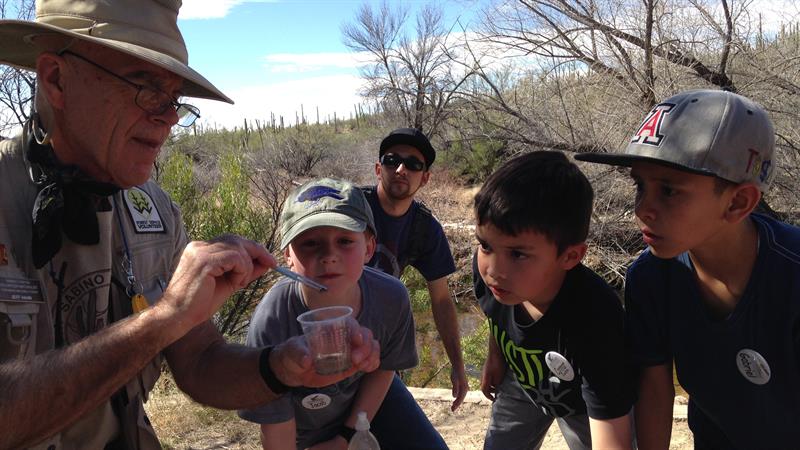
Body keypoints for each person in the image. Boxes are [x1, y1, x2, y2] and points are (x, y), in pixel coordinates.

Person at [0, 2, 379, 449]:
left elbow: (198, 361)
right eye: (144, 88)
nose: (169, 117)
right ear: (56, 79)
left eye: (173, 99)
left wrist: (281, 367)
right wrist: (162, 320)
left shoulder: (153, 209)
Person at [575, 89, 800, 449]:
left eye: (669, 191)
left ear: (738, 202)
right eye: (640, 185)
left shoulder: (792, 277)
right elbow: (654, 385)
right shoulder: (650, 277)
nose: (643, 209)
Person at [239, 178, 447, 450]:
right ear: (287, 254)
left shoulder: (391, 297)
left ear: (369, 248)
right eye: (311, 243)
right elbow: (276, 425)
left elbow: (385, 367)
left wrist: (347, 437)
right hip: (303, 425)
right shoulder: (272, 321)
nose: (329, 255)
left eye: (345, 240)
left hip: (367, 397)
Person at [474, 151, 635, 450]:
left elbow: (612, 433)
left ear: (570, 256)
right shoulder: (490, 275)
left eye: (518, 254)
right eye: (485, 245)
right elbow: (495, 314)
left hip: (583, 405)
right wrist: (495, 356)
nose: (493, 271)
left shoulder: (594, 318)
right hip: (522, 385)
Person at [364, 127, 468, 411]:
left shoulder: (424, 228)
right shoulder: (353, 208)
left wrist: (458, 366)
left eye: (413, 164)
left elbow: (442, 299)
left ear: (425, 178)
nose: (400, 169)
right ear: (377, 168)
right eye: (391, 160)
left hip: (380, 351)